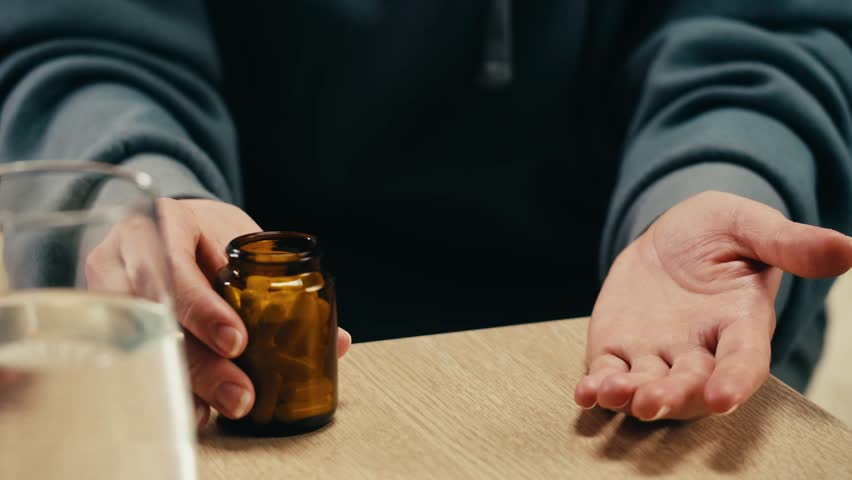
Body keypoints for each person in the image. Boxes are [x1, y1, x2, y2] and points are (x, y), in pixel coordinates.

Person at [2, 1, 852, 426]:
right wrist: (141, 194)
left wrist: (726, 175)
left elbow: (768, 27)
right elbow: (82, 32)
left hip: (629, 335)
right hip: (238, 346)